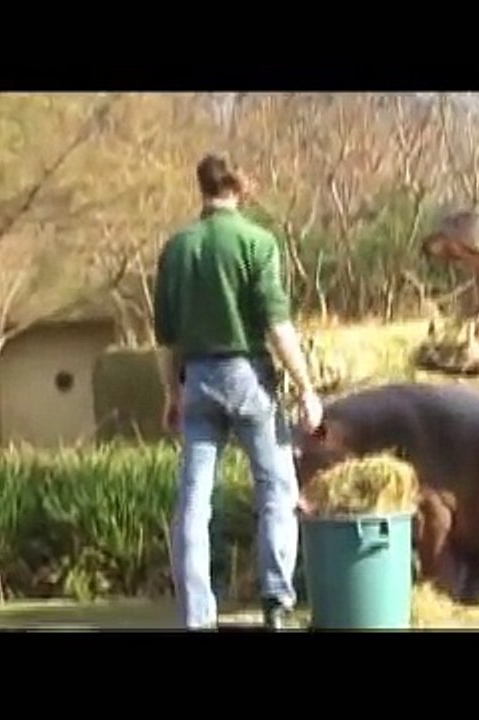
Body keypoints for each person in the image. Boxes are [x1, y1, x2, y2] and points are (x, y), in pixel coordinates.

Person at [154, 153, 323, 630]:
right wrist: (306, 387)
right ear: (239, 188)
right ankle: (276, 601)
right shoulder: (257, 242)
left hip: (198, 380)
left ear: (200, 188)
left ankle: (197, 615)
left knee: (193, 501)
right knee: (275, 488)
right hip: (249, 379)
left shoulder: (177, 249)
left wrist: (172, 394)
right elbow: (277, 324)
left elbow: (165, 340)